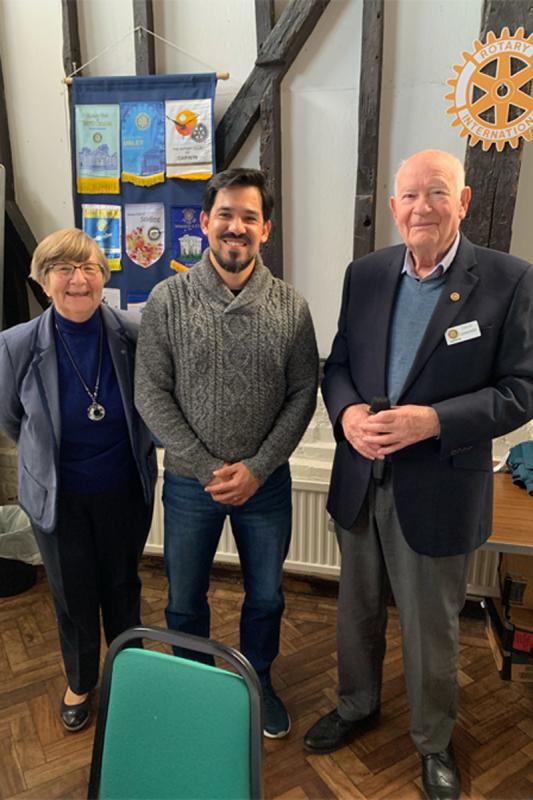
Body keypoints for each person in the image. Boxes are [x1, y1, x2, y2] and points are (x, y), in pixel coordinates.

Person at [303, 150, 533, 799]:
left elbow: (521, 390)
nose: (420, 207)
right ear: (393, 206)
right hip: (361, 476)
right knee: (357, 611)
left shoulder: (507, 280)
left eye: (436, 193)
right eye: (408, 195)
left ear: (461, 203)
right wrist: (346, 414)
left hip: (438, 485)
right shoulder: (366, 274)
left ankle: (432, 742)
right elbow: (338, 363)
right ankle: (356, 705)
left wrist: (430, 421)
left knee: (430, 627)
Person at [135, 167, 318, 738]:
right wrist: (211, 467)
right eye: (225, 215)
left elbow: (303, 393)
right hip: (192, 484)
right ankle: (194, 685)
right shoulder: (168, 299)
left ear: (265, 229)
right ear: (205, 222)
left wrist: (257, 469)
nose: (235, 227)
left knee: (266, 596)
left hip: (266, 487)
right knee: (185, 599)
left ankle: (257, 680)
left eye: (248, 217)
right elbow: (150, 392)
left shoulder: (290, 306)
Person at [0, 229, 157, 732]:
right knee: (72, 593)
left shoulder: (134, 334)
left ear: (103, 277)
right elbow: (11, 420)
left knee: (122, 586)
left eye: (89, 267)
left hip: (122, 491)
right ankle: (81, 679)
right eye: (63, 269)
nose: (78, 279)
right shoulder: (15, 346)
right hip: (58, 497)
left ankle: (129, 673)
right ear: (43, 281)